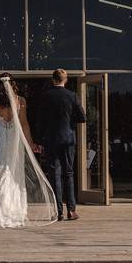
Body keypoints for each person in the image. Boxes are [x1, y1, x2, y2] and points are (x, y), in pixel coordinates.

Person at [0, 73, 58, 228]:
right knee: (15, 170)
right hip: (15, 139)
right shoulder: (20, 100)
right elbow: (24, 124)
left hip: (1, 137)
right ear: (13, 84)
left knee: (0, 169)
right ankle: (15, 209)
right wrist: (30, 143)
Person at [37, 68, 86, 221]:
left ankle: (58, 211)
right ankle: (71, 210)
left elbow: (39, 121)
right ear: (65, 80)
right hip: (68, 138)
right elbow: (82, 117)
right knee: (69, 173)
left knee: (55, 174)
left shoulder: (45, 97)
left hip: (51, 139)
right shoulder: (72, 96)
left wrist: (38, 140)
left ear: (53, 80)